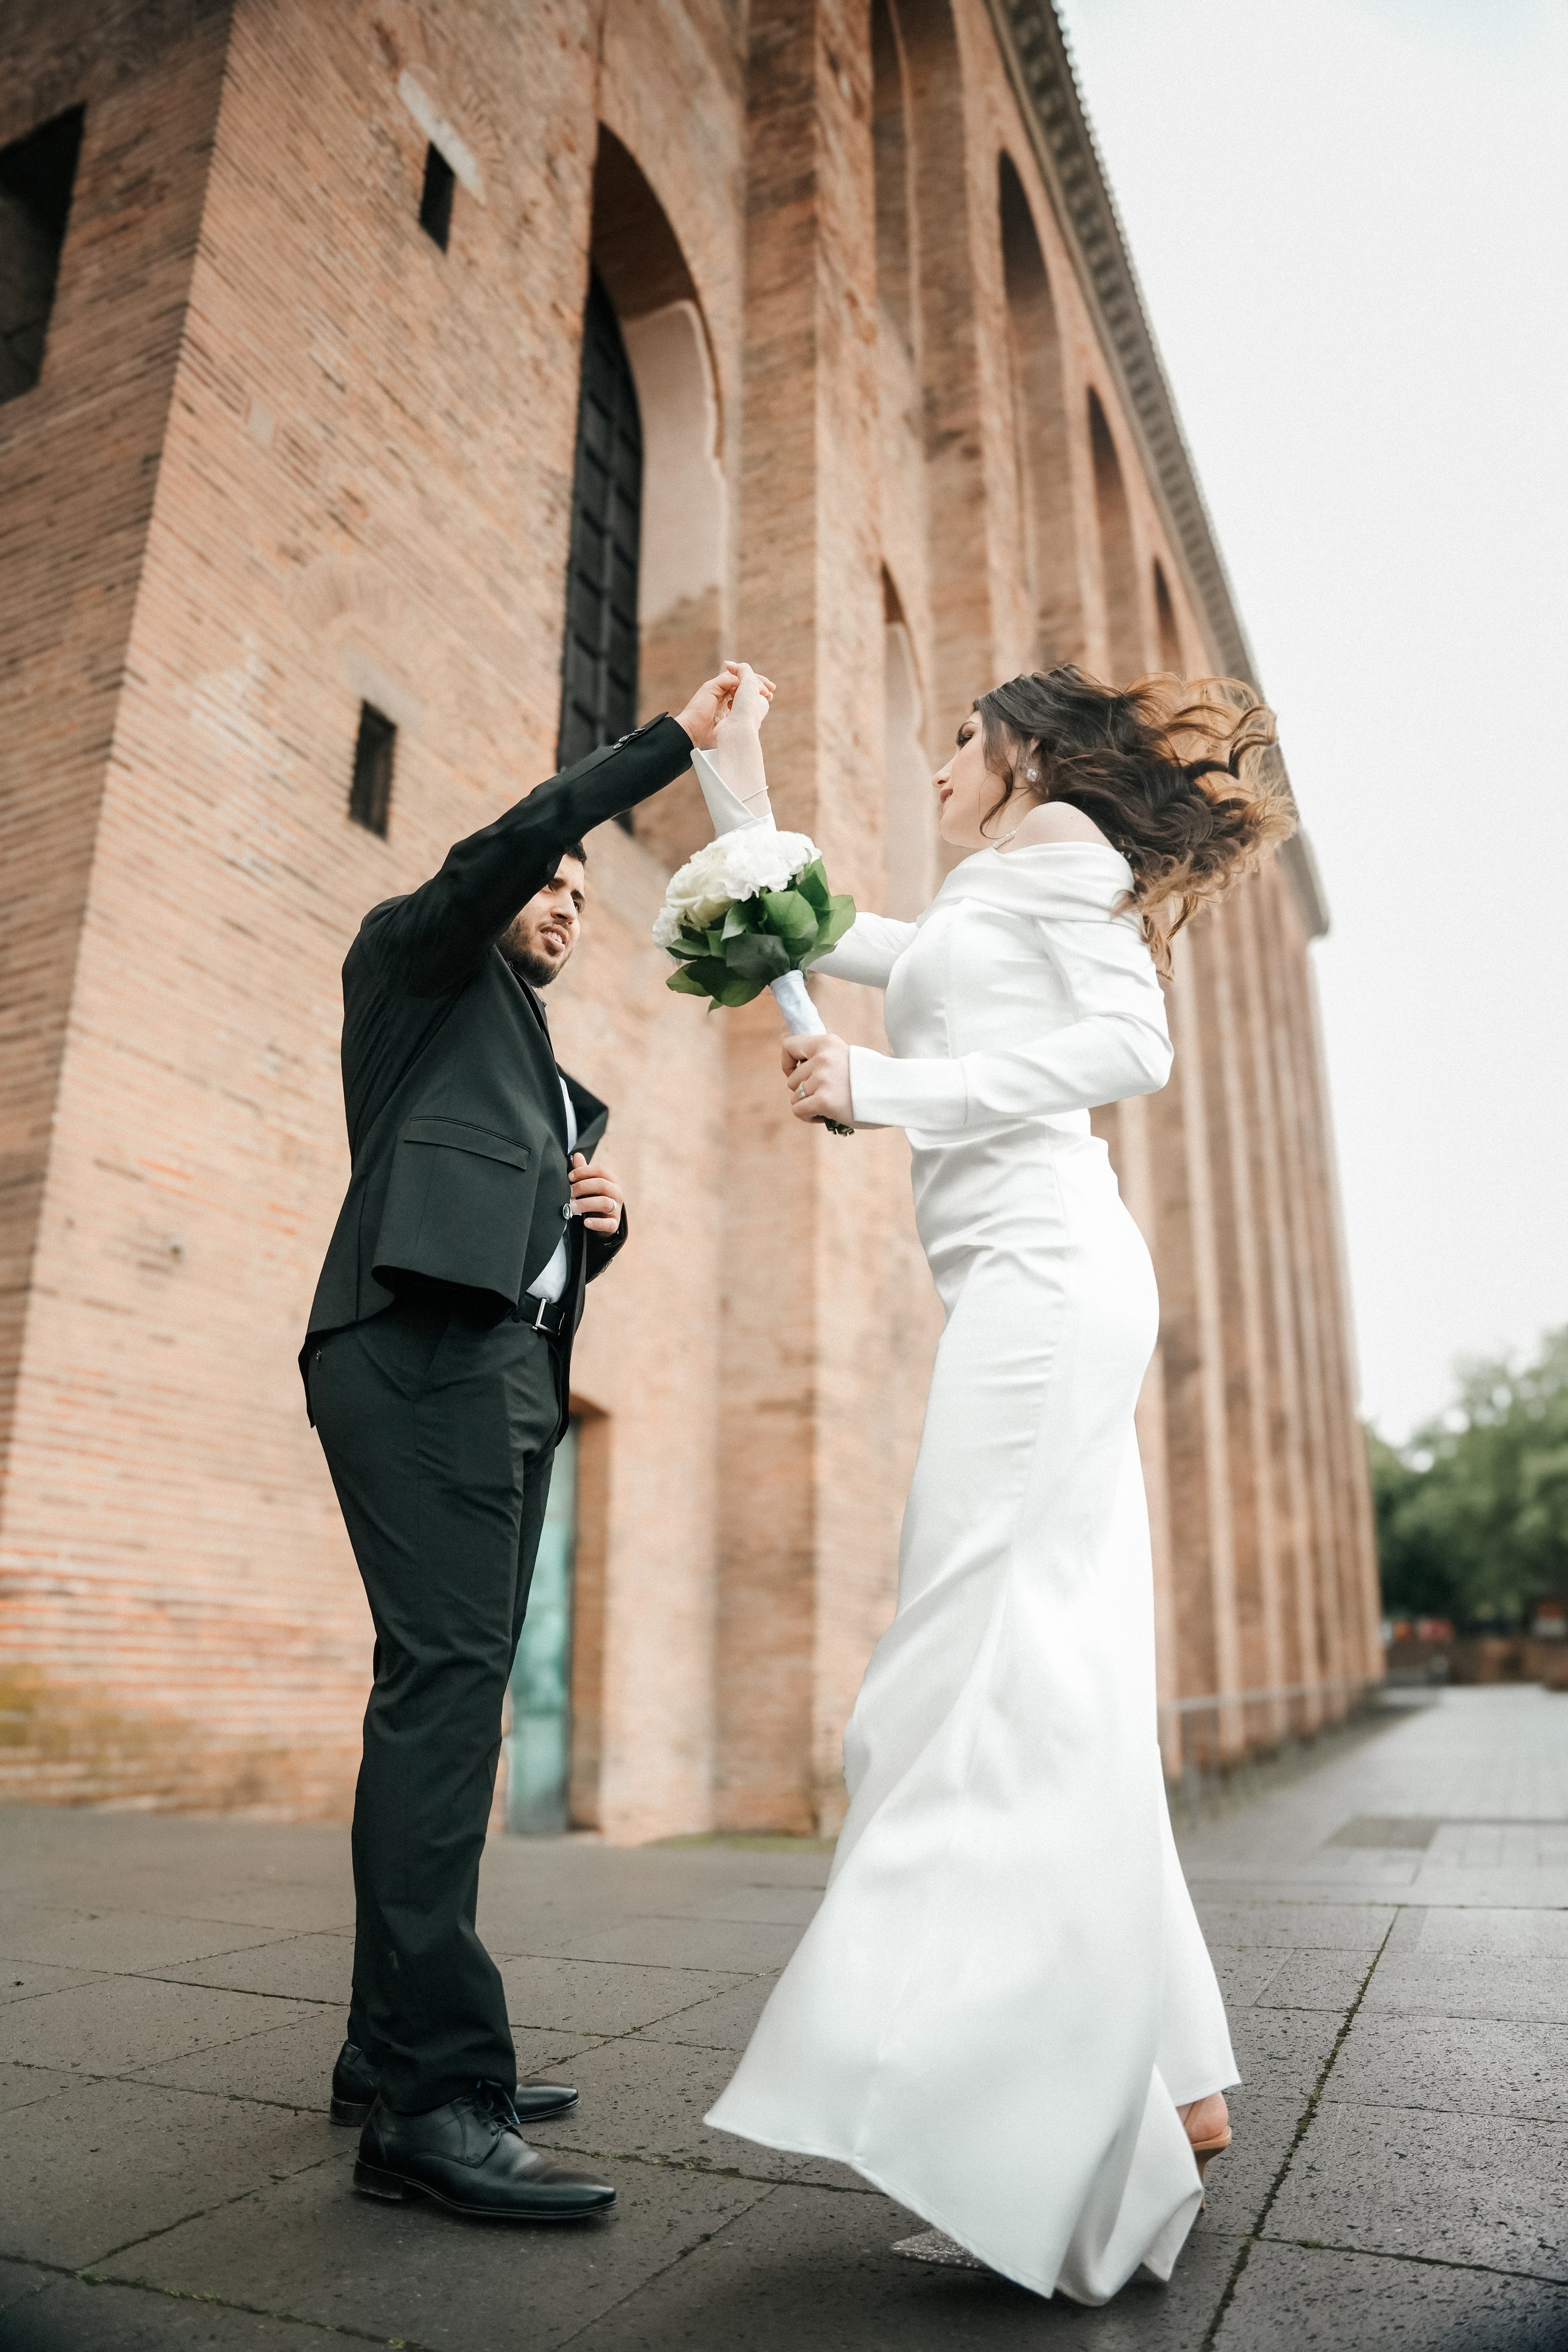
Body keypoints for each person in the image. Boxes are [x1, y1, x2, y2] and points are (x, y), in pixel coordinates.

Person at [706, 664, 1293, 2301]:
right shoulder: (995, 888)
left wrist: (884, 1092)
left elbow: (1133, 1048)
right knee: (1067, 1667)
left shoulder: (1070, 879)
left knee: (953, 1667)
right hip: (1025, 1289)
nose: (940, 761)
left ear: (1024, 755)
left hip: (1046, 1282)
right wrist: (732, 772)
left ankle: (1021, 2113)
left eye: (961, 741)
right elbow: (814, 930)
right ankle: (1177, 2073)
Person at [301, 669, 744, 2223]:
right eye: (547, 882)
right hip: (420, 1351)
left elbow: (514, 1234)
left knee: (437, 1695)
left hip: (495, 1368)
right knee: (447, 1700)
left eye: (578, 898)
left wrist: (592, 1231)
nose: (564, 901)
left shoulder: (528, 1065)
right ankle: (429, 2101)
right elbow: (515, 840)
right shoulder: (415, 959)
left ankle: (385, 2048)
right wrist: (669, 750)